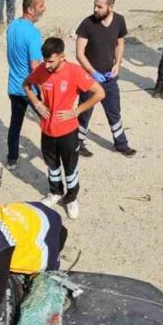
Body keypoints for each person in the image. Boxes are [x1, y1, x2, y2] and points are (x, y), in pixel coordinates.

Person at [24, 37, 105, 221]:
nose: (47, 65)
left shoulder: (75, 72)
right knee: (52, 166)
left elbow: (100, 93)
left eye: (51, 61)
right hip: (47, 130)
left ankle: (71, 198)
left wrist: (76, 111)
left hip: (68, 132)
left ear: (62, 57)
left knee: (70, 167)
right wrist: (36, 102)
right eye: (45, 60)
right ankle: (55, 192)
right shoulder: (42, 70)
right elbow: (26, 85)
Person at [75, 0, 136, 158]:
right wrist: (92, 72)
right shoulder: (87, 24)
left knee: (114, 110)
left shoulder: (119, 21)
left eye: (100, 6)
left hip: (109, 77)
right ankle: (78, 143)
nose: (95, 9)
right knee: (85, 111)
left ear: (111, 6)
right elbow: (80, 54)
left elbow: (120, 44)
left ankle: (121, 144)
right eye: (95, 5)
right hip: (89, 79)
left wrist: (117, 64)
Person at [5, 0, 46, 170]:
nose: (44, 9)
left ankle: (12, 159)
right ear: (30, 9)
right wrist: (43, 90)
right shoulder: (33, 34)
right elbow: (35, 67)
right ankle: (50, 155)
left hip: (14, 86)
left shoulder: (12, 26)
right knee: (47, 122)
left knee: (15, 123)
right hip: (31, 89)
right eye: (41, 6)